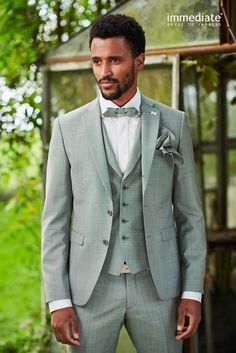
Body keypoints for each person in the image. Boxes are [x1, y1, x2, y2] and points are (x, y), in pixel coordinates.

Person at [41, 13, 207, 353]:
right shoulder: (67, 128)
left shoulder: (173, 124)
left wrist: (192, 293)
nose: (104, 71)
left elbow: (190, 215)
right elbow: (54, 221)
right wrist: (57, 299)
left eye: (115, 60)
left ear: (139, 60)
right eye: (97, 61)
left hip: (157, 286)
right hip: (91, 288)